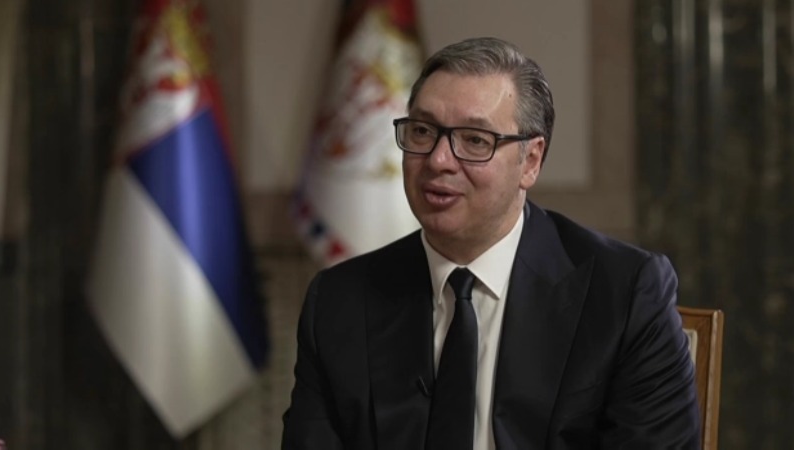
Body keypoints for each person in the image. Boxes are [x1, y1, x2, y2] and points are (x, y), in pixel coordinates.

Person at [282, 37, 700, 449]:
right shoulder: (339, 301)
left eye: (475, 140)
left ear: (530, 161)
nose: (438, 160)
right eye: (423, 131)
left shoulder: (623, 294)